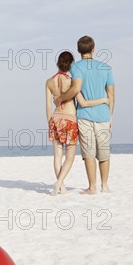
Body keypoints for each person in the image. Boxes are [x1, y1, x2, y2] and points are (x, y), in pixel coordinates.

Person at [55, 36, 115, 194]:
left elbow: (75, 89)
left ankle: (92, 187)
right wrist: (111, 116)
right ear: (93, 48)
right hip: (103, 115)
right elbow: (111, 95)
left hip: (84, 115)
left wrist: (61, 98)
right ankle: (105, 185)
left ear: (78, 50)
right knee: (104, 151)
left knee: (88, 151)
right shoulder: (106, 68)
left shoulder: (77, 67)